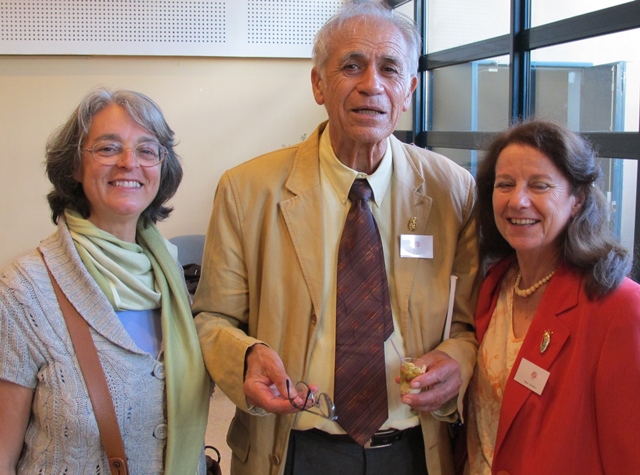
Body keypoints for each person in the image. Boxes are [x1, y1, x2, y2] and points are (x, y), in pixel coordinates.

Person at [193, 2, 479, 474]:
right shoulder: (247, 190)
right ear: (318, 84)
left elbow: (468, 324)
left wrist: (458, 359)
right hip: (293, 449)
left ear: (408, 90)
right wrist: (245, 357)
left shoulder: (453, 191)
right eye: (351, 65)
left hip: (416, 451)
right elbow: (212, 317)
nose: (371, 84)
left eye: (389, 68)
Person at [0, 88, 210, 474]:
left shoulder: (172, 279)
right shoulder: (23, 291)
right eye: (108, 148)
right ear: (75, 168)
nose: (129, 163)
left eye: (147, 150)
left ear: (162, 168)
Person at [466, 119, 640, 474]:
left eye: (539, 186)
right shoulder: (495, 283)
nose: (518, 200)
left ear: (576, 199)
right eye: (505, 184)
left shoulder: (618, 306)